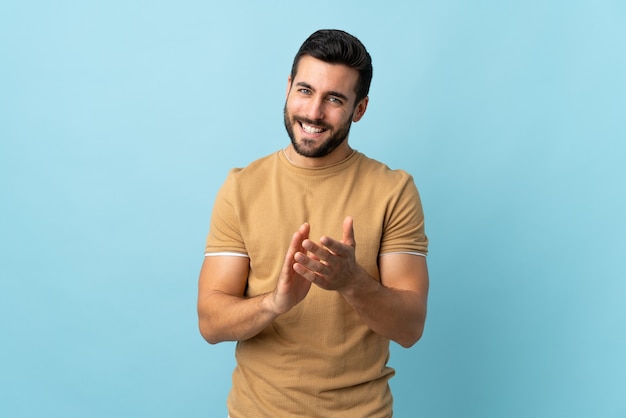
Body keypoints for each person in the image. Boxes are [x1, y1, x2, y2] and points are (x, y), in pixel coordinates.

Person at [197, 29, 429, 417]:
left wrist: (351, 283)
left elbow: (410, 329)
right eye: (305, 90)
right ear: (288, 87)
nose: (314, 112)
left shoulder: (394, 190)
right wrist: (276, 303)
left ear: (360, 108)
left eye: (334, 99)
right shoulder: (241, 188)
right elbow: (210, 322)